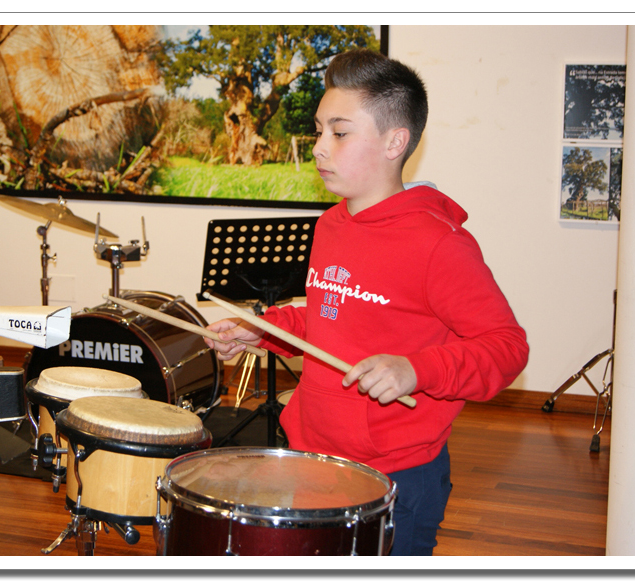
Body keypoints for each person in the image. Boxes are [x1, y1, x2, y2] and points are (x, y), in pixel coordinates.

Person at [203, 48, 529, 556]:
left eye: (339, 133)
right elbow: (331, 317)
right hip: (313, 456)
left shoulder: (439, 244)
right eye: (318, 131)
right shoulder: (331, 225)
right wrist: (264, 328)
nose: (319, 148)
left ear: (395, 142)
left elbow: (507, 347)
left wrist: (416, 370)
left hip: (397, 475)